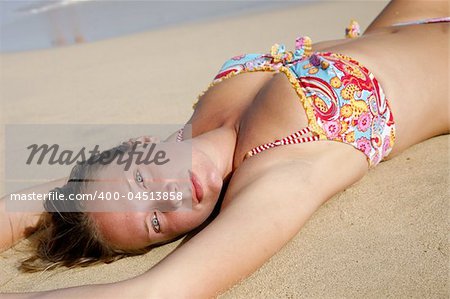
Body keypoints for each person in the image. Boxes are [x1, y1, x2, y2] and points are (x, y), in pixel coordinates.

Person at [1, 0, 448, 297]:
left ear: (136, 146)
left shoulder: (189, 133)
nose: (174, 194)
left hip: (408, 17)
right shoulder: (277, 175)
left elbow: (30, 203)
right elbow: (158, 291)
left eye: (142, 178)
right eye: (156, 220)